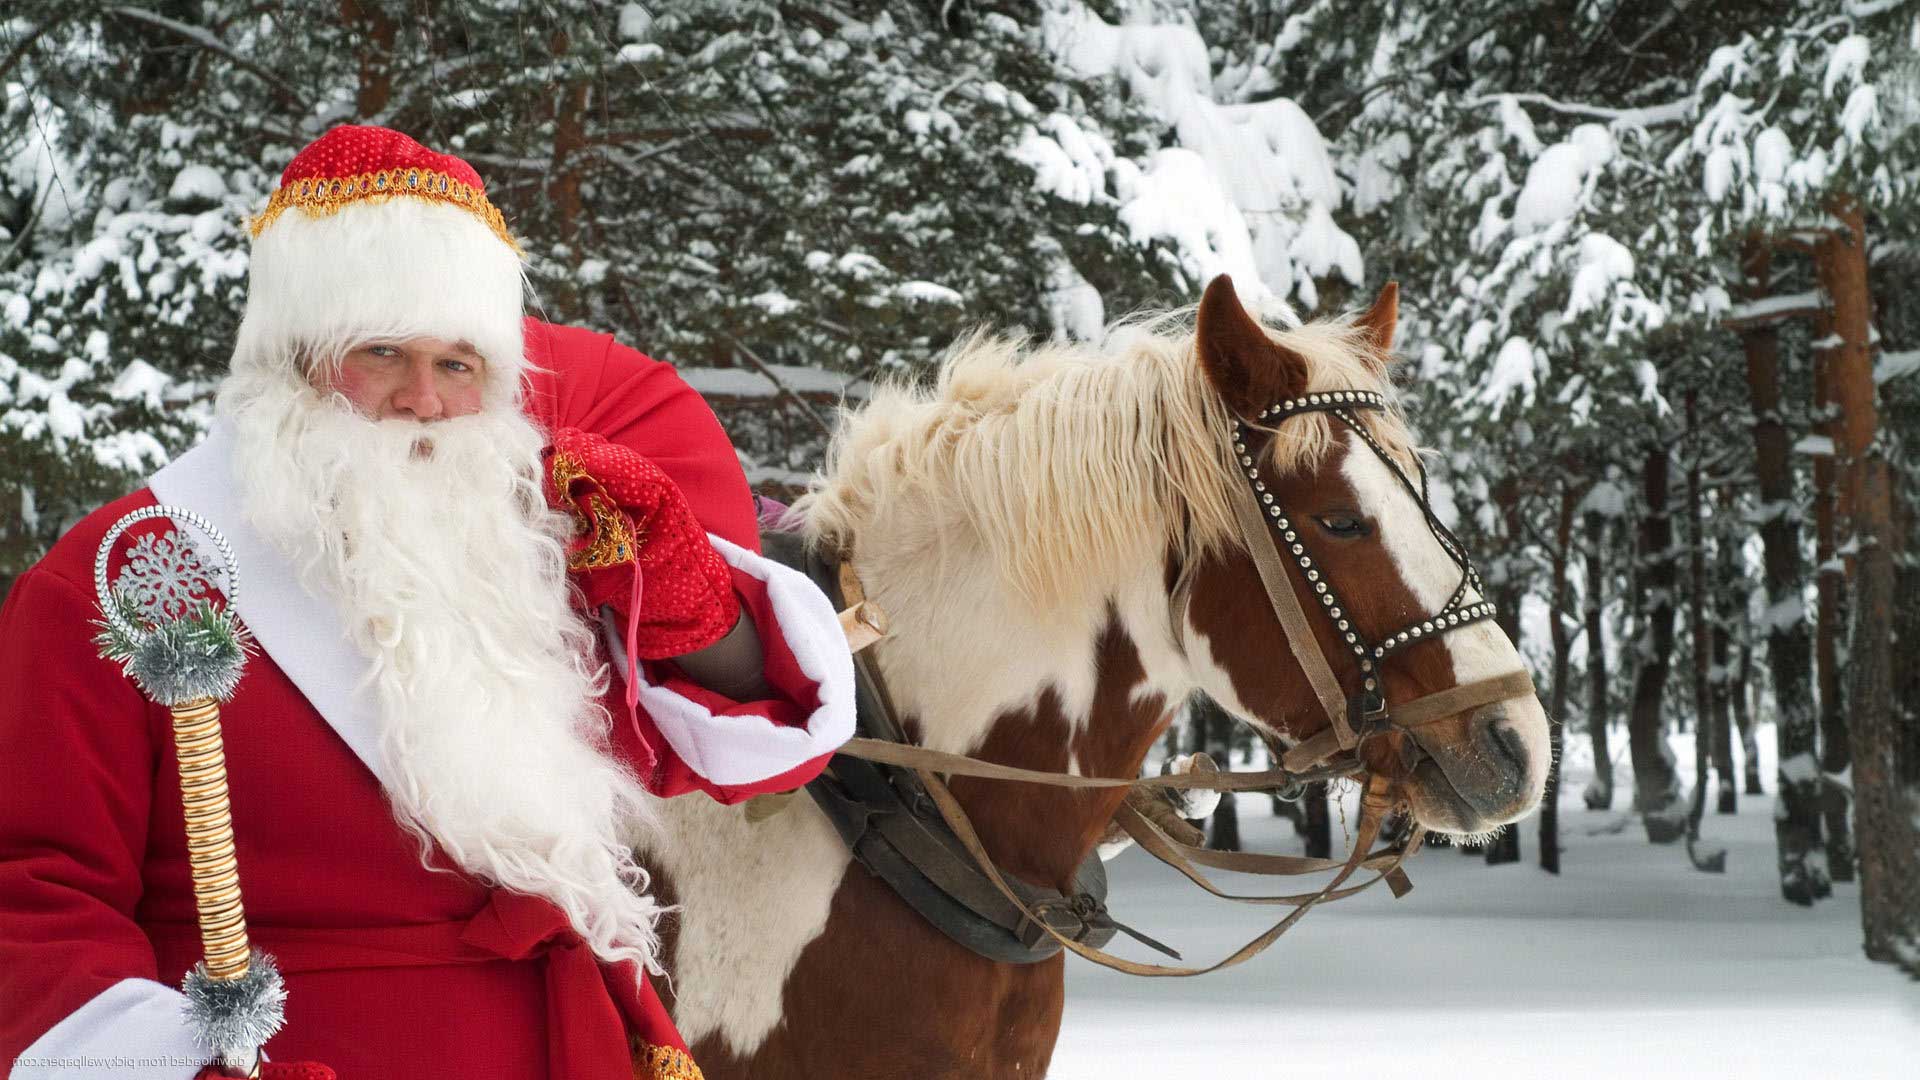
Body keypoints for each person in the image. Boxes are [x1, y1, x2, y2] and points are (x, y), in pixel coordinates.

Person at [0, 126, 854, 1080]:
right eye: (381, 352)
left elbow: (762, 748)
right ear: (291, 357)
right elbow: (31, 901)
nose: (424, 400)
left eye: (458, 364)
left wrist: (690, 602)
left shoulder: (517, 559)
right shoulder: (127, 575)